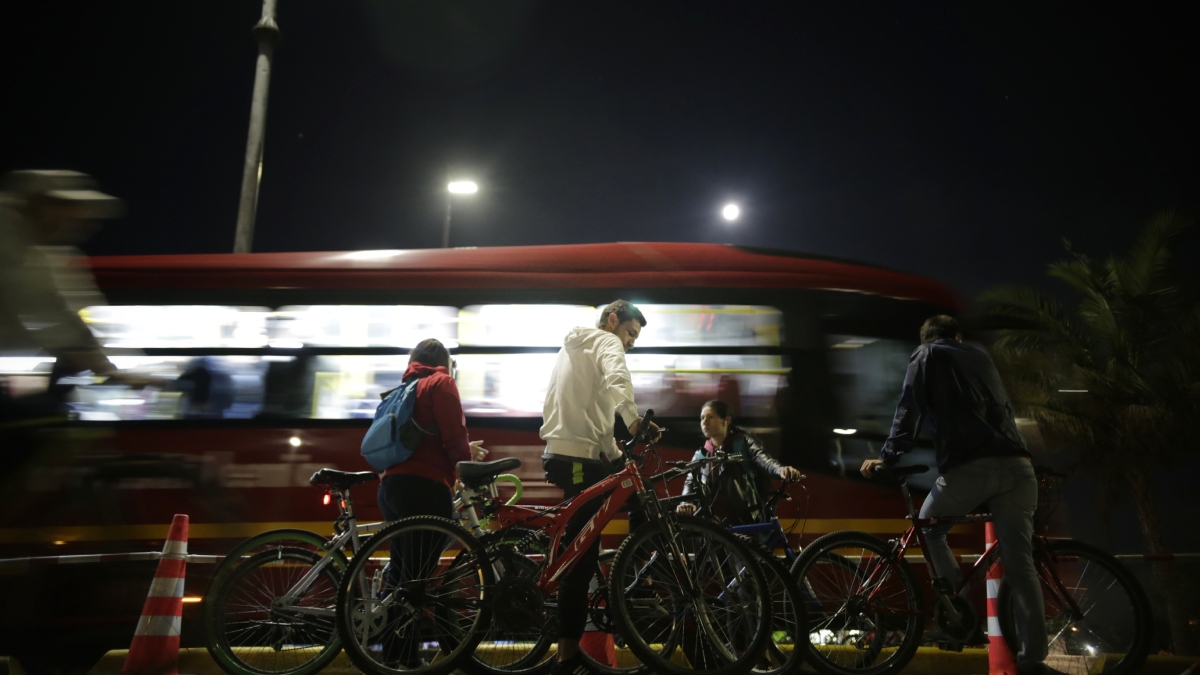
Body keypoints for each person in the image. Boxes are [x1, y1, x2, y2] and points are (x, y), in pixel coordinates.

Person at [859, 315, 1050, 674]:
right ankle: (1034, 660)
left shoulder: (926, 354)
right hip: (1019, 466)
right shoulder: (980, 356)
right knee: (1021, 565)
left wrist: (887, 458)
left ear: (927, 338)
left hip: (971, 468)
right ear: (958, 336)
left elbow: (908, 408)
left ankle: (958, 609)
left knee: (930, 528)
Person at [540, 300, 657, 675]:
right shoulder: (606, 344)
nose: (631, 343)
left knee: (592, 541)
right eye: (630, 333)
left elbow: (592, 414)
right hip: (575, 460)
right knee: (580, 557)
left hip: (574, 455)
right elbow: (617, 380)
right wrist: (635, 421)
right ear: (612, 321)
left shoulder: (573, 348)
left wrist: (616, 453)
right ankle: (566, 657)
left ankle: (639, 567)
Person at [0, 170, 147, 467]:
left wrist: (114, 360)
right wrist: (111, 371)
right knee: (41, 422)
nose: (83, 219)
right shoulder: (10, 243)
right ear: (39, 205)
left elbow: (77, 313)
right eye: (69, 208)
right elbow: (51, 317)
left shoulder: (37, 250)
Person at [374, 338, 486, 666]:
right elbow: (453, 436)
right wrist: (464, 463)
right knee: (417, 582)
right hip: (425, 488)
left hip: (392, 487)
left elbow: (427, 439)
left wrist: (464, 450)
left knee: (402, 573)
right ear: (445, 362)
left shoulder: (404, 389)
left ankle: (392, 656)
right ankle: (408, 662)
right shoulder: (442, 382)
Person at [676, 399, 802, 524]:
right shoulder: (701, 454)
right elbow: (690, 481)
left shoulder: (743, 442)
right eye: (702, 418)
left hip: (744, 520)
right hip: (713, 525)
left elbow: (764, 460)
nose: (705, 422)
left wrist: (781, 470)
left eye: (710, 417)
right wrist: (686, 503)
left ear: (726, 420)